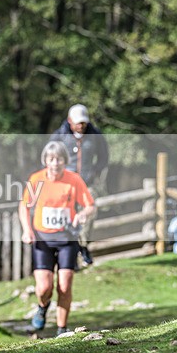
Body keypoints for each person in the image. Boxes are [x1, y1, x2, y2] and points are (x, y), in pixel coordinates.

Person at [19, 140, 95, 336]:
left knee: (65, 284)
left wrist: (82, 215)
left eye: (59, 159)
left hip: (67, 239)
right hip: (42, 239)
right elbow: (24, 206)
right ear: (45, 160)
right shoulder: (37, 180)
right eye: (51, 159)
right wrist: (27, 230)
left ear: (65, 161)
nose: (55, 163)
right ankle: (42, 308)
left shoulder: (74, 179)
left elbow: (90, 206)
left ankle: (62, 329)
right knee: (44, 287)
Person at [50, 103, 108, 265]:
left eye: (83, 122)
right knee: (67, 216)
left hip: (86, 182)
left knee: (89, 213)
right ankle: (70, 252)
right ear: (70, 121)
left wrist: (95, 172)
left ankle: (83, 246)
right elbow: (49, 157)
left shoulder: (95, 135)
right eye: (78, 123)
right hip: (65, 183)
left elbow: (104, 157)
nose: (81, 126)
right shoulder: (59, 136)